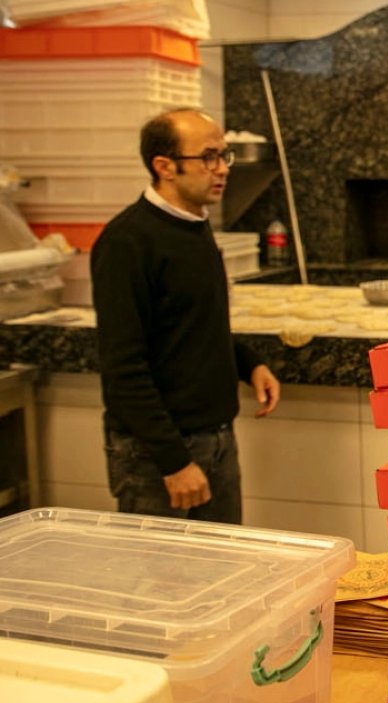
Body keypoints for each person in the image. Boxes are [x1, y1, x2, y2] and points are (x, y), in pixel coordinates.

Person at [92, 108, 281, 524]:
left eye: (225, 156)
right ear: (165, 167)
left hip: (215, 440)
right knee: (161, 583)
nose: (222, 169)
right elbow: (123, 370)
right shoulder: (127, 241)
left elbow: (190, 324)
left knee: (225, 579)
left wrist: (249, 364)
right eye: (209, 157)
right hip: (156, 455)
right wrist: (173, 462)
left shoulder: (195, 225)